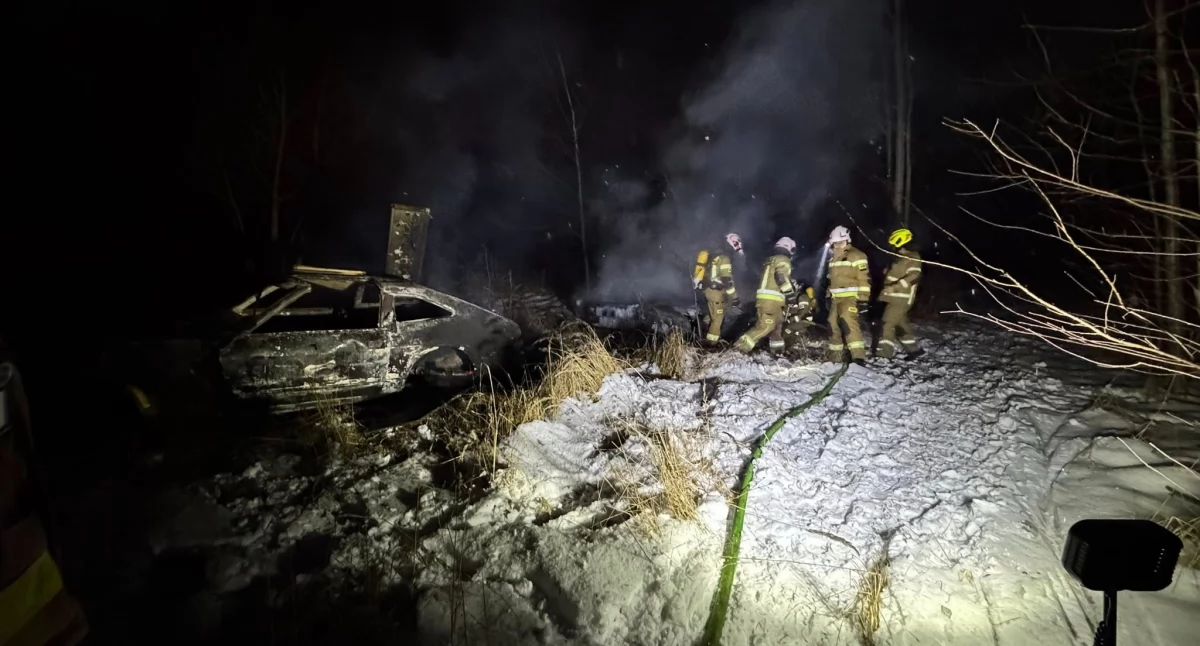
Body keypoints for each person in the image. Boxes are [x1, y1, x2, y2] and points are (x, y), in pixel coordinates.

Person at [736, 237, 796, 354]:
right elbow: (780, 277)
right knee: (765, 327)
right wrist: (790, 294)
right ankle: (738, 348)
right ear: (790, 249)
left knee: (777, 328)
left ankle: (778, 352)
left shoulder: (770, 260)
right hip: (770, 300)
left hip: (773, 300)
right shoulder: (783, 259)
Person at [877, 227, 925, 359]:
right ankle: (914, 350)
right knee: (900, 324)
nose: (891, 246)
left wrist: (895, 287)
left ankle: (884, 354)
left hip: (902, 298)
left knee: (887, 323)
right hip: (894, 297)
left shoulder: (913, 257)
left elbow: (914, 276)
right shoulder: (899, 258)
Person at [825, 226, 870, 365]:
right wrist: (828, 295)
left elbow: (864, 279)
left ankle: (858, 358)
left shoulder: (857, 255)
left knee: (848, 324)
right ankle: (835, 357)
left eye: (840, 242)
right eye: (835, 243)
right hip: (835, 299)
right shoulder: (832, 258)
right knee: (833, 325)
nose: (837, 245)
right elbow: (831, 280)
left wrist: (863, 299)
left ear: (847, 240)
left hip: (850, 298)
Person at [692, 233, 744, 344]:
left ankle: (701, 329)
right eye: (736, 244)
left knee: (713, 313)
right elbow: (727, 280)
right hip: (715, 291)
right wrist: (734, 297)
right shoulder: (724, 258)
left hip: (709, 290)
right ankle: (711, 343)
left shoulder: (715, 255)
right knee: (718, 318)